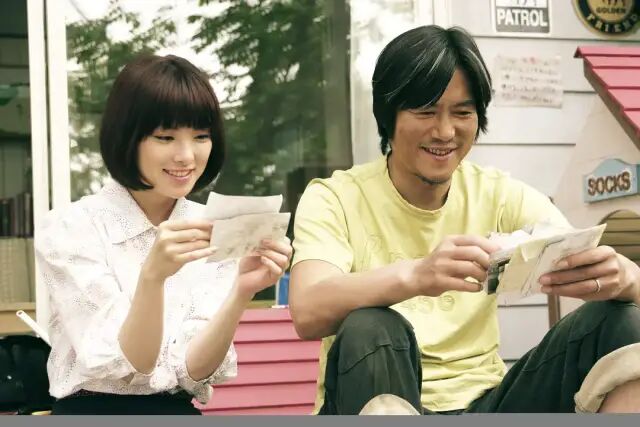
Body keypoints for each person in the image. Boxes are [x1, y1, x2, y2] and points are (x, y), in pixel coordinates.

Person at [289, 25, 640, 415]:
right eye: (426, 111)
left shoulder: (499, 194)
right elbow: (307, 311)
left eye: (462, 112)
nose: (445, 132)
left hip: (484, 405)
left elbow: (578, 253)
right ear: (388, 116)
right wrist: (417, 274)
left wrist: (628, 278)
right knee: (370, 327)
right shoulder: (335, 197)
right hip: (378, 396)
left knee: (620, 320)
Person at [34, 54, 292, 415]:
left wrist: (242, 292)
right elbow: (132, 363)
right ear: (127, 137)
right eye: (165, 137)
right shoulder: (71, 229)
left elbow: (193, 371)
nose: (186, 156)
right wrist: (152, 277)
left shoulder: (213, 226)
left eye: (200, 136)